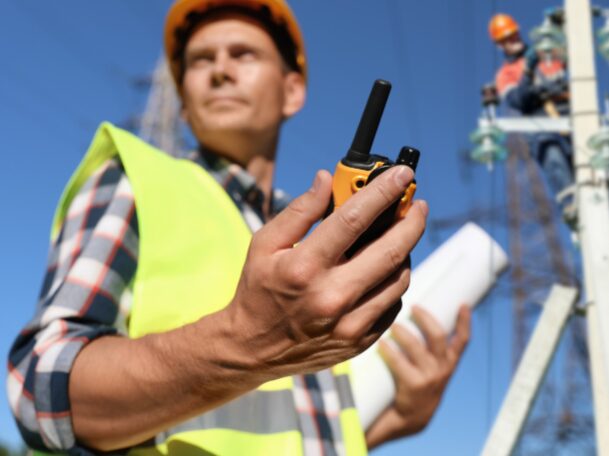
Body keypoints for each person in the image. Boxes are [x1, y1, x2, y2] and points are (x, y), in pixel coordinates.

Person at [7, 1, 470, 454]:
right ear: (183, 106)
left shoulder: (311, 248)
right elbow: (39, 388)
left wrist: (399, 419)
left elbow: (286, 435)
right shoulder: (137, 180)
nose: (220, 71)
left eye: (243, 54)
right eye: (200, 60)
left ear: (292, 91)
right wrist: (244, 341)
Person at [489, 13, 574, 218]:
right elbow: (518, 100)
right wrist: (528, 72)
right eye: (506, 39)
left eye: (513, 35)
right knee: (551, 152)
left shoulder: (547, 53)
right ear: (500, 45)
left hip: (571, 114)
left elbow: (575, 52)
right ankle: (571, 202)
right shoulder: (506, 74)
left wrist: (560, 27)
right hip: (540, 124)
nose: (513, 40)